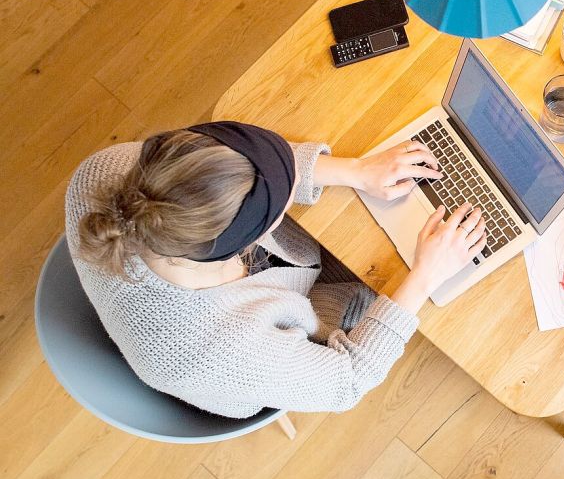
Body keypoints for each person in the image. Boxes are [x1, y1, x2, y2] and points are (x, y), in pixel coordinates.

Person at [67, 121, 486, 418]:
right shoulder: (220, 352)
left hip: (273, 294)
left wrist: (355, 170)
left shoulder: (117, 171)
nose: (289, 195)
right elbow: (349, 381)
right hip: (282, 346)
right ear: (244, 245)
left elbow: (238, 168)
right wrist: (426, 275)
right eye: (280, 203)